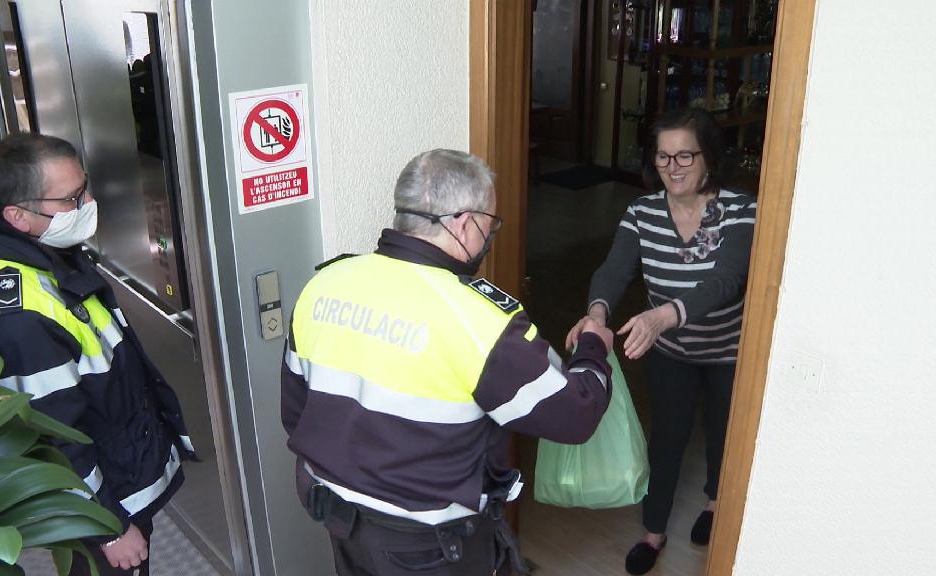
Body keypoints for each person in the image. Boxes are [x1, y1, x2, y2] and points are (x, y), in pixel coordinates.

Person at [282, 148, 616, 575]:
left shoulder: (323, 285)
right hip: (427, 545)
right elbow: (575, 415)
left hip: (338, 517)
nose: (489, 237)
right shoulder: (479, 319)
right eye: (490, 224)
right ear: (464, 222)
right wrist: (592, 347)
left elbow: (297, 412)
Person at [0, 133, 194, 575]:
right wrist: (109, 529)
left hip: (119, 467)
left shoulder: (33, 251)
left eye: (84, 188)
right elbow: (57, 438)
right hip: (103, 506)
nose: (88, 203)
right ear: (18, 216)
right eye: (71, 198)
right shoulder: (18, 318)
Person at [564, 108, 757, 575]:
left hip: (730, 353)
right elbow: (615, 270)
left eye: (686, 155)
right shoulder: (642, 212)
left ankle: (714, 505)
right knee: (666, 440)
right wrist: (597, 315)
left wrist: (663, 315)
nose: (674, 167)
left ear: (708, 157)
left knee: (723, 437)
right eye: (664, 156)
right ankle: (653, 532)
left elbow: (728, 280)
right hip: (671, 355)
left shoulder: (741, 209)